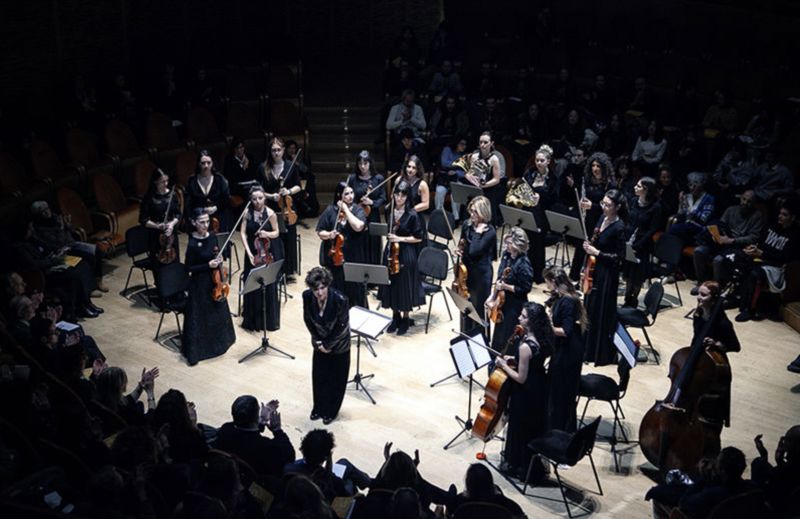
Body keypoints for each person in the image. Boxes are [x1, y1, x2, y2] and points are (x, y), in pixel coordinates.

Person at [495, 302, 553, 481]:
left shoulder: (525, 347)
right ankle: (529, 463)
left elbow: (520, 378)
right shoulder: (543, 337)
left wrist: (503, 365)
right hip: (539, 386)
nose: (519, 318)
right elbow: (533, 362)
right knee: (532, 428)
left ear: (531, 321)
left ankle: (519, 464)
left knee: (520, 428)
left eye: (524, 316)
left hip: (525, 393)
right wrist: (515, 359)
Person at [182, 209, 236, 366]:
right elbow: (188, 268)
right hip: (199, 285)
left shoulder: (212, 236)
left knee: (217, 311)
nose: (206, 225)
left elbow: (216, 253)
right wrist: (207, 265)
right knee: (201, 316)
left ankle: (221, 344)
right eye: (202, 222)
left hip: (215, 280)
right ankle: (201, 351)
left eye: (207, 221)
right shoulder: (192, 243)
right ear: (194, 222)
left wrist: (219, 259)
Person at [583, 189, 627, 366]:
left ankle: (597, 352)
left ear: (617, 207)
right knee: (589, 307)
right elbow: (596, 242)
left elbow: (619, 258)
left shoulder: (619, 227)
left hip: (607, 275)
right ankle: (586, 348)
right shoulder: (602, 218)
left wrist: (597, 253)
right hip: (594, 269)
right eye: (602, 203)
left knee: (599, 310)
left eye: (608, 205)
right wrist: (589, 246)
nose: (603, 207)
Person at [691, 189, 764, 295]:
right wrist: (717, 236)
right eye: (744, 199)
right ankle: (701, 282)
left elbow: (754, 237)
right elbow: (721, 225)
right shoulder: (731, 210)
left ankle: (715, 289)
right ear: (740, 198)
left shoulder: (757, 216)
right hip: (722, 242)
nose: (745, 203)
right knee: (699, 251)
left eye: (749, 201)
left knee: (718, 260)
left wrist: (732, 240)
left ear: (753, 204)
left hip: (738, 246)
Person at [302, 267, 351, 425]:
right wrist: (318, 342)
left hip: (339, 344)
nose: (319, 293)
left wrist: (328, 345)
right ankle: (318, 407)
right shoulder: (307, 296)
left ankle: (331, 411)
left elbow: (342, 327)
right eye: (316, 289)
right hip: (319, 342)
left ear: (328, 285)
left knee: (337, 380)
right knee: (319, 377)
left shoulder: (340, 300)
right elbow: (308, 320)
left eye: (322, 288)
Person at [735, 203, 799, 322]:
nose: (780, 216)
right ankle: (736, 297)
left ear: (793, 218)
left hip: (776, 267)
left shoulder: (795, 236)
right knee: (738, 259)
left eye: (784, 215)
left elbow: (784, 258)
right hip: (761, 259)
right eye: (780, 213)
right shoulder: (772, 227)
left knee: (755, 273)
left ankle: (750, 309)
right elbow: (761, 244)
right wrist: (753, 248)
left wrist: (762, 253)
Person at [29, 200, 109, 294]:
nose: (47, 212)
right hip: (62, 250)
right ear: (38, 215)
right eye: (43, 211)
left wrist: (68, 225)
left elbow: (72, 231)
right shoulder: (39, 229)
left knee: (97, 250)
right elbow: (56, 244)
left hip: (72, 243)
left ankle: (98, 280)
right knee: (87, 258)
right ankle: (90, 288)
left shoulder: (56, 218)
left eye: (47, 209)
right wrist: (61, 228)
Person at [378, 181, 425, 335]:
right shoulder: (389, 210)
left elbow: (418, 238)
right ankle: (395, 316)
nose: (399, 198)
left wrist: (400, 238)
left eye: (403, 195)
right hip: (391, 251)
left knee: (404, 285)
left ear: (407, 197)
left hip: (406, 253)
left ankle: (405, 318)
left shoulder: (412, 215)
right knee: (392, 284)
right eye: (397, 194)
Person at [544, 268, 587, 432]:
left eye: (548, 283)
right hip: (563, 349)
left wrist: (546, 327)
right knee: (556, 390)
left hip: (569, 353)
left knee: (562, 391)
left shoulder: (568, 302)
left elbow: (566, 331)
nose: (547, 286)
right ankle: (555, 424)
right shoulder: (561, 297)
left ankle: (562, 428)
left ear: (554, 282)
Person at [213, 395, 295, 480]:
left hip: (224, 477)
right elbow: (290, 456)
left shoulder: (225, 429)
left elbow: (246, 432)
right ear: (256, 417)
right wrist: (277, 430)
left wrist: (262, 420)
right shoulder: (265, 447)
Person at [316, 182, 367, 307]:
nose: (350, 196)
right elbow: (320, 231)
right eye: (346, 194)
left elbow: (358, 227)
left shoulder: (358, 209)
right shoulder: (331, 210)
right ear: (339, 195)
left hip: (353, 256)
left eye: (352, 193)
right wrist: (329, 235)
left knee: (354, 290)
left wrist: (345, 209)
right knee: (336, 287)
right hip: (335, 258)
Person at [239, 185, 282, 332]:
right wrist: (249, 252)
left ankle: (268, 320)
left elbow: (276, 232)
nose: (257, 201)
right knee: (252, 282)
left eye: (260, 198)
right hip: (253, 252)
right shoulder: (247, 213)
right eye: (254, 199)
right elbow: (243, 233)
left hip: (267, 252)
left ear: (264, 198)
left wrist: (267, 234)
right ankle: (252, 320)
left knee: (267, 283)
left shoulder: (271, 214)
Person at [283, 429, 371, 500]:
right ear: (326, 456)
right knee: (349, 480)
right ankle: (370, 484)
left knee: (344, 463)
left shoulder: (289, 468)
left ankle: (368, 482)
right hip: (327, 502)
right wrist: (329, 462)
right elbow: (341, 490)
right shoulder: (324, 477)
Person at [260, 137, 302, 280]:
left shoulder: (291, 166)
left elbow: (298, 186)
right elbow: (258, 190)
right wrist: (270, 196)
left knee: (288, 239)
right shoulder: (263, 168)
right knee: (274, 239)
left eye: (279, 150)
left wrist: (288, 191)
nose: (276, 153)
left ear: (283, 150)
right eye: (273, 150)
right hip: (271, 209)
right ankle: (274, 270)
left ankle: (288, 270)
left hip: (288, 209)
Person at [570, 152, 615, 281]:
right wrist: (581, 203)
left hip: (600, 220)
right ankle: (574, 278)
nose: (595, 169)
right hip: (586, 219)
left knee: (592, 249)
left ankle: (589, 280)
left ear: (604, 168)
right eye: (593, 165)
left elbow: (610, 207)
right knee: (580, 249)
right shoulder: (587, 181)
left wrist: (592, 206)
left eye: (598, 166)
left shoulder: (609, 185)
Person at [488, 227, 533, 353]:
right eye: (506, 243)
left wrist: (506, 287)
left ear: (517, 245)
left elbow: (525, 288)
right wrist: (492, 297)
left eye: (509, 243)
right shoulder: (506, 256)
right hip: (502, 301)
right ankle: (495, 356)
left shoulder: (524, 263)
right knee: (499, 333)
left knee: (508, 335)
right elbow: (500, 278)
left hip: (514, 305)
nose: (506, 246)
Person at [458, 195, 496, 336]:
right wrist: (459, 250)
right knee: (466, 307)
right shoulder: (467, 225)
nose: (472, 214)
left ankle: (481, 340)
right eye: (471, 211)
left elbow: (474, 250)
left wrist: (478, 233)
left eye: (476, 212)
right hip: (466, 273)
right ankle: (465, 336)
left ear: (483, 213)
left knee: (479, 311)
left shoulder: (489, 231)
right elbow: (463, 244)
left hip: (481, 276)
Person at [623, 176, 664, 307]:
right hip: (629, 240)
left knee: (637, 276)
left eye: (638, 186)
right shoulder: (633, 201)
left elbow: (652, 229)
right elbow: (628, 220)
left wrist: (638, 245)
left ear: (646, 190)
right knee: (628, 273)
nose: (635, 187)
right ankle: (626, 299)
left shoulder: (656, 207)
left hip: (642, 245)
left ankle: (633, 301)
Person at [523, 144, 558, 284]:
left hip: (542, 214)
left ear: (548, 161)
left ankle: (537, 275)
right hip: (528, 211)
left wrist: (541, 198)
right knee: (525, 242)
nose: (538, 163)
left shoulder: (553, 178)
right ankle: (524, 272)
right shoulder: (530, 173)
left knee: (537, 245)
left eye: (542, 160)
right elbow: (523, 188)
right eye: (537, 160)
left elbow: (554, 199)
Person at [349, 150, 387, 265]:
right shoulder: (353, 178)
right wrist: (355, 206)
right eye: (360, 163)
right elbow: (349, 197)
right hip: (358, 215)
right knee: (359, 242)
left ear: (370, 163)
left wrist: (372, 202)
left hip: (373, 216)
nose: (362, 166)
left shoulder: (378, 179)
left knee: (373, 242)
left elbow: (383, 198)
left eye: (365, 163)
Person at [448, 463, 527, 518]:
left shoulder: (458, 501)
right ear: (490, 482)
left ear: (468, 483)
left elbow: (449, 514)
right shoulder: (508, 504)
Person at [138, 167, 181, 267]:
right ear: (155, 182)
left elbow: (178, 214)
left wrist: (172, 224)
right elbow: (143, 219)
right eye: (162, 182)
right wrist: (157, 226)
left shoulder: (173, 194)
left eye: (167, 181)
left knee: (174, 261)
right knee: (158, 263)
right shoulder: (149, 198)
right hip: (156, 235)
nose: (166, 184)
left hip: (171, 235)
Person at [183, 150, 231, 233]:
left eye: (209, 163)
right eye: (203, 163)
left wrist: (215, 208)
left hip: (218, 215)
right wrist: (201, 211)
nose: (206, 166)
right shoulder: (192, 181)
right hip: (199, 217)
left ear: (212, 163)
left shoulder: (220, 179)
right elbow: (188, 203)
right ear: (199, 164)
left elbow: (226, 199)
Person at [463, 131, 503, 225]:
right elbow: (468, 172)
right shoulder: (474, 156)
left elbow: (496, 179)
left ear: (491, 143)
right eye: (481, 142)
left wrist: (483, 185)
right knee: (471, 216)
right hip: (475, 190)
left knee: (486, 220)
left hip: (488, 192)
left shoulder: (494, 159)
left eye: (485, 142)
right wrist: (468, 176)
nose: (482, 145)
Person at [694, 280, 740, 356]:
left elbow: (736, 347)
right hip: (699, 352)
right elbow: (696, 337)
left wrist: (716, 344)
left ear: (713, 300)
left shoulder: (724, 323)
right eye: (698, 293)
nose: (698, 297)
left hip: (714, 355)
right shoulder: (698, 314)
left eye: (703, 295)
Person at [435, 136, 467, 223]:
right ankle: (438, 216)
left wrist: (455, 172)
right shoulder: (447, 149)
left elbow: (465, 172)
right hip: (444, 179)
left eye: (465, 145)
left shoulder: (463, 155)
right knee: (440, 192)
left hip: (457, 179)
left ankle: (455, 219)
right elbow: (444, 163)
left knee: (456, 194)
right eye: (462, 144)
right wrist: (458, 165)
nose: (464, 146)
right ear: (456, 144)